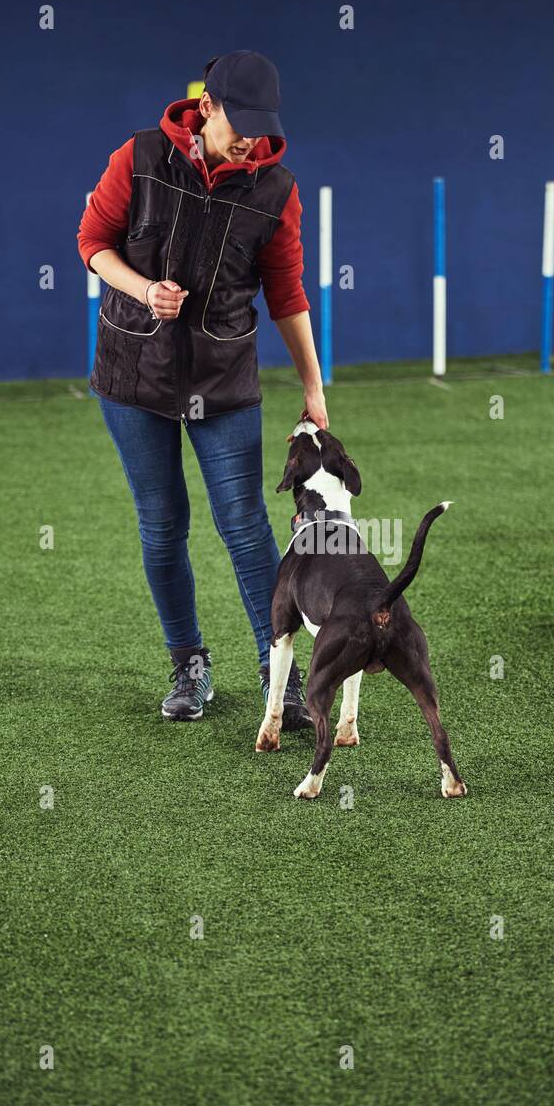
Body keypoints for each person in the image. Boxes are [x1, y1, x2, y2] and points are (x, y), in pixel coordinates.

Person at [77, 51, 327, 724]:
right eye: (237, 121)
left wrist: (314, 387)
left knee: (246, 527)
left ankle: (283, 677)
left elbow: (287, 292)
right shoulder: (139, 157)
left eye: (261, 125)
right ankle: (189, 666)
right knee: (163, 528)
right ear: (207, 106)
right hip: (134, 376)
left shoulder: (276, 189)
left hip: (224, 379)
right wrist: (143, 289)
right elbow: (92, 241)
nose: (250, 138)